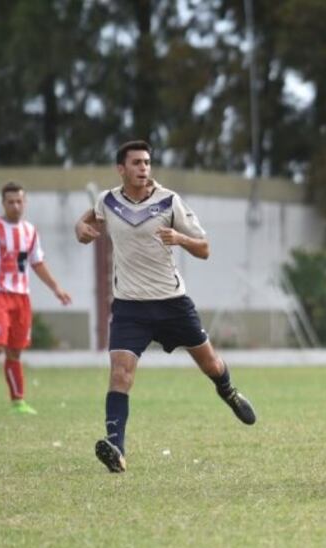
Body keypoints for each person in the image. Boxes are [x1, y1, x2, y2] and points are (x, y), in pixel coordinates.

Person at [74, 140, 256, 473]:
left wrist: (180, 238)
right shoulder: (107, 201)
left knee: (211, 364)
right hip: (130, 307)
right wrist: (80, 228)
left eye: (147, 162)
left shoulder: (169, 201)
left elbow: (205, 249)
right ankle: (116, 447)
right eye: (136, 163)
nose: (144, 168)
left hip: (172, 304)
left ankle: (228, 392)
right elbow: (88, 223)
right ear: (121, 169)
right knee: (120, 374)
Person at [0, 182, 72, 415]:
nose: (15, 206)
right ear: (3, 203)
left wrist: (56, 288)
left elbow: (36, 263)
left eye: (19, 201)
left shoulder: (30, 230)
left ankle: (18, 402)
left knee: (15, 352)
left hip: (22, 298)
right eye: (10, 202)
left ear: (25, 202)